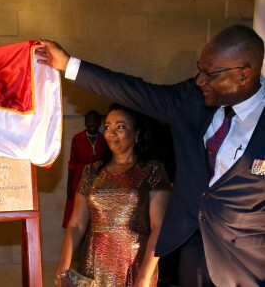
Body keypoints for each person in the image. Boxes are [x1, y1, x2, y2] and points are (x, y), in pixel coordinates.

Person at [36, 24, 265, 287]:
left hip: (249, 265)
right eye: (199, 69)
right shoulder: (191, 99)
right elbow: (134, 91)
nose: (200, 80)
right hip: (193, 257)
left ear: (244, 75)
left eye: (210, 74)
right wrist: (69, 64)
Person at [54, 103, 171, 287]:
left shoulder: (152, 170)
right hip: (92, 267)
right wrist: (62, 270)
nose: (111, 132)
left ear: (137, 133)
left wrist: (143, 278)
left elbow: (159, 227)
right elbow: (76, 225)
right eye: (107, 127)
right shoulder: (91, 172)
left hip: (135, 267)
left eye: (121, 127)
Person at [62, 110, 107, 228]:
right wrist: (69, 185)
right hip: (79, 178)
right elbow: (72, 162)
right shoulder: (77, 138)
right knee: (78, 208)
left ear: (100, 123)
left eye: (96, 121)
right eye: (89, 121)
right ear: (85, 123)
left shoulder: (104, 140)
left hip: (98, 180)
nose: (92, 124)